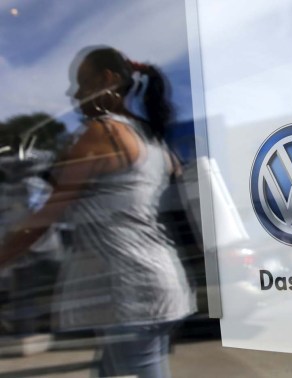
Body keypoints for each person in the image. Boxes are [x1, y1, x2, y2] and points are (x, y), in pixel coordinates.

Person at [0, 46, 195, 377]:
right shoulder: (152, 139)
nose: (72, 93)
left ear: (107, 81)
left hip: (132, 290)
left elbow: (46, 216)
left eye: (81, 82)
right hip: (155, 280)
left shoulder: (103, 133)